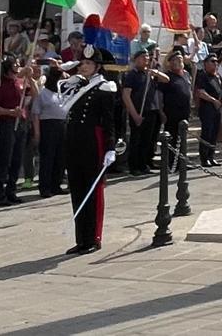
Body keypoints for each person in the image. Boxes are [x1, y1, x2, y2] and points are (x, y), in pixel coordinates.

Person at [60, 46, 120, 255]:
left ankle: (93, 238)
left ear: (97, 66)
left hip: (93, 143)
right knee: (77, 189)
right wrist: (59, 70)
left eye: (88, 63)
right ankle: (81, 239)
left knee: (92, 191)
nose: (84, 67)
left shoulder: (105, 87)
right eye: (82, 63)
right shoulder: (76, 86)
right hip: (75, 142)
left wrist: (110, 147)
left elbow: (109, 121)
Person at [0, 59, 25, 206]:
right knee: (5, 159)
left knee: (17, 159)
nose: (18, 66)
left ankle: (11, 190)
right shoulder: (0, 85)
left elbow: (34, 93)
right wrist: (10, 112)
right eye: (15, 64)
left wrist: (30, 78)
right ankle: (1, 193)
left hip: (20, 123)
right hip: (7, 124)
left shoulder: (19, 82)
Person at [122, 51, 162, 174]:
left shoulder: (149, 74)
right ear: (136, 60)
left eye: (147, 57)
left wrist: (156, 72)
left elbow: (166, 79)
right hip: (139, 111)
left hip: (151, 110)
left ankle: (143, 164)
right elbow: (126, 95)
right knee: (136, 140)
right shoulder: (132, 75)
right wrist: (134, 115)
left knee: (147, 140)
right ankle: (134, 166)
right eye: (143, 57)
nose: (146, 59)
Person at [32, 63, 68, 197]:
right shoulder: (43, 93)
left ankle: (56, 185)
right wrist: (37, 132)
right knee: (48, 157)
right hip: (48, 125)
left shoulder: (62, 92)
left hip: (62, 125)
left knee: (60, 157)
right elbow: (35, 113)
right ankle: (45, 187)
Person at [195, 54, 222, 166]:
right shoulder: (202, 76)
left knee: (214, 133)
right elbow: (200, 92)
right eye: (212, 61)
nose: (215, 63)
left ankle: (211, 156)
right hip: (207, 108)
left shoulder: (216, 77)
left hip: (217, 108)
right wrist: (213, 100)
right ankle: (204, 158)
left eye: (216, 61)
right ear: (205, 63)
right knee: (207, 133)